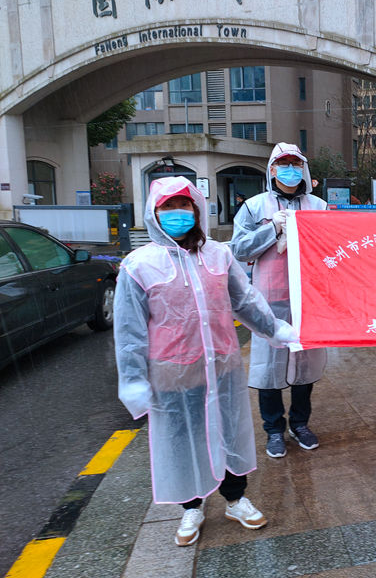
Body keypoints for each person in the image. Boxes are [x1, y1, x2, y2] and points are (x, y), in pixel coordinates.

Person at [114, 176, 299, 547]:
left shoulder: (218, 254)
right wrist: (133, 379)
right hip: (173, 370)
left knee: (227, 429)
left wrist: (275, 328)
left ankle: (235, 499)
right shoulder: (139, 265)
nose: (177, 213)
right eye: (168, 206)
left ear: (196, 209)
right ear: (154, 213)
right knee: (182, 437)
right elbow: (129, 330)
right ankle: (191, 506)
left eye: (184, 205)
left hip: (221, 364)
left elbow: (244, 299)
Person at [230, 143, 328, 458]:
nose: (290, 170)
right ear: (272, 169)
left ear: (303, 168)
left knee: (304, 364)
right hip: (268, 298)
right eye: (283, 164)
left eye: (295, 164)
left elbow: (332, 249)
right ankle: (273, 429)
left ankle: (300, 424)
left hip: (307, 298)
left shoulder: (319, 206)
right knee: (268, 367)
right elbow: (239, 249)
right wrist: (272, 228)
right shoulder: (254, 207)